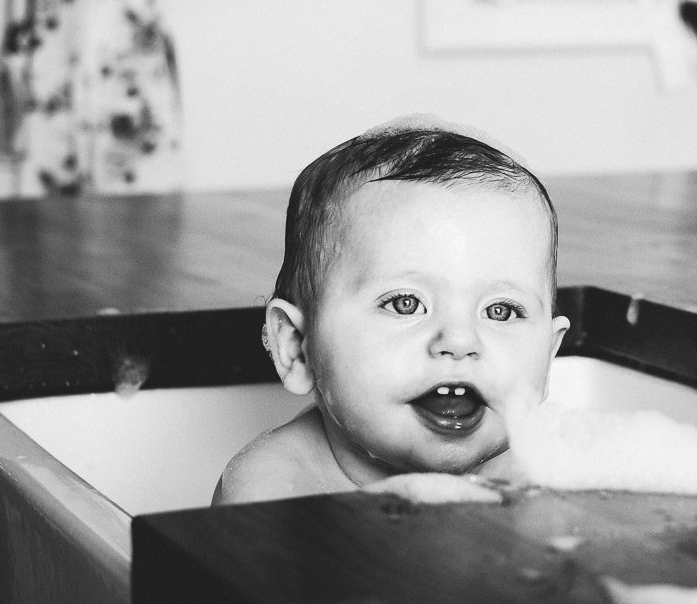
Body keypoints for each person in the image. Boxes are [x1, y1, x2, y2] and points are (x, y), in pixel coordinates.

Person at [212, 121, 570, 505]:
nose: (461, 340)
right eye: (406, 304)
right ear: (298, 348)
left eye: (500, 311)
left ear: (549, 355)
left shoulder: (553, 471)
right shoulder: (273, 493)